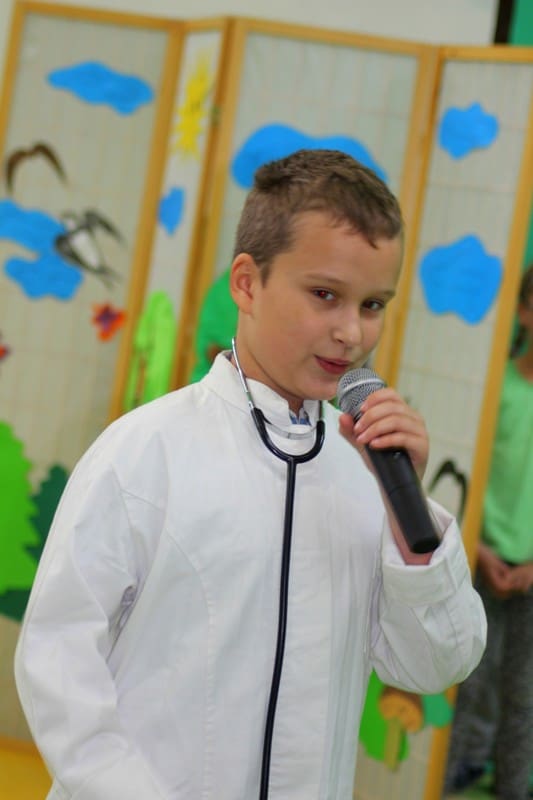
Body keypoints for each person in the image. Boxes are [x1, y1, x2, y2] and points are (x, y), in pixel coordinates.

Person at [15, 149, 486, 800]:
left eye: (373, 304)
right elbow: (59, 657)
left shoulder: (368, 475)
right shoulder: (145, 452)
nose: (351, 332)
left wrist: (408, 526)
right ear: (246, 283)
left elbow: (436, 664)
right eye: (324, 295)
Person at [443, 263, 533, 800]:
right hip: (481, 556)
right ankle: (453, 776)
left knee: (525, 695)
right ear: (523, 311)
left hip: (531, 572)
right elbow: (461, 470)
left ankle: (513, 786)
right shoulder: (496, 387)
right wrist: (476, 545)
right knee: (469, 681)